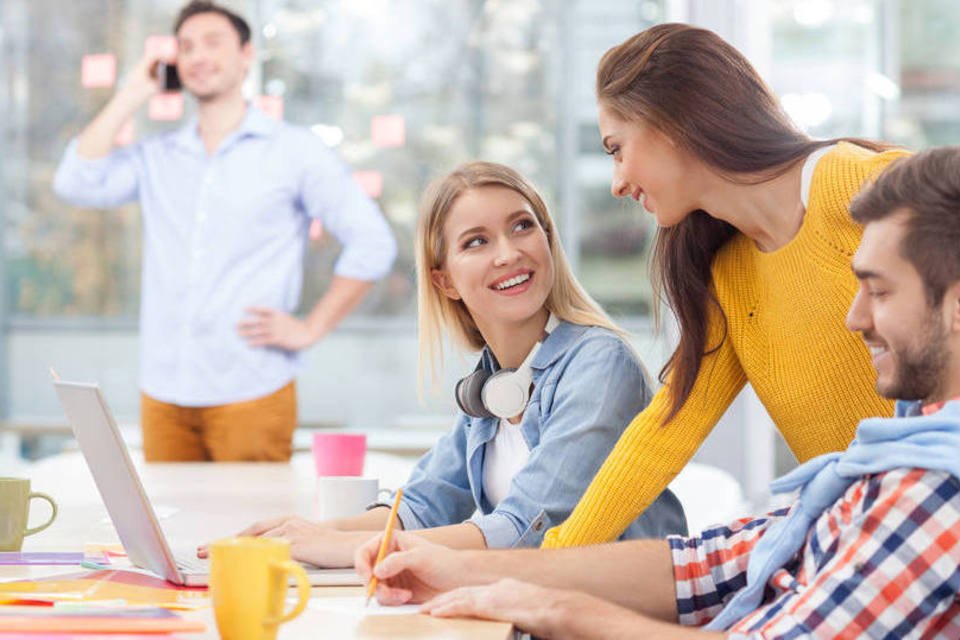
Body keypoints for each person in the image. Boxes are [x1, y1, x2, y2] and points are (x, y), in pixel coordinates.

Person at [355, 146, 960, 638]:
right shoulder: (897, 465)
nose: (851, 319)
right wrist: (463, 567)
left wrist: (563, 609)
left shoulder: (934, 494)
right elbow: (716, 562)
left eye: (878, 292)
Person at [203, 161, 686, 567]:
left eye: (522, 226)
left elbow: (525, 531)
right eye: (476, 242)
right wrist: (301, 535)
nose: (509, 253)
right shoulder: (493, 384)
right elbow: (422, 506)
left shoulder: (599, 365)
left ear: (547, 240)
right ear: (445, 281)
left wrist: (344, 547)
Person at [541, 22, 911, 549]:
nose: (617, 182)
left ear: (671, 122)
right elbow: (663, 433)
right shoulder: (727, 274)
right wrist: (555, 560)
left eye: (617, 149)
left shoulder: (851, 185)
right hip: (864, 546)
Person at [52, 1, 396, 462]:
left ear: (246, 54)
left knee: (250, 533)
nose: (198, 56)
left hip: (251, 388)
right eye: (186, 47)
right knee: (168, 532)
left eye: (213, 42)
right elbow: (74, 181)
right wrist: (133, 92)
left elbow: (373, 243)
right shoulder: (158, 156)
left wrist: (311, 327)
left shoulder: (293, 151)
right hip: (163, 393)